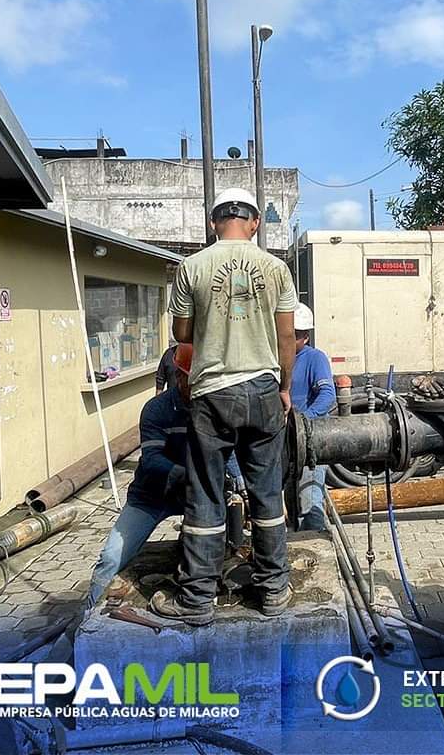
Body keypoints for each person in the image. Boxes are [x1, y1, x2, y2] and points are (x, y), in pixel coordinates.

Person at [152, 187, 297, 625]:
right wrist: (285, 388)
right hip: (263, 389)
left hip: (213, 391)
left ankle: (198, 599)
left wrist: (211, 321)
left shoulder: (191, 267)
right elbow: (286, 337)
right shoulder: (276, 268)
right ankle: (273, 590)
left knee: (206, 492)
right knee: (267, 492)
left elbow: (182, 334)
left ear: (213, 222)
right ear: (255, 222)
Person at [87, 344, 193, 607]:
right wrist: (188, 474)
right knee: (111, 558)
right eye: (194, 379)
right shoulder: (157, 409)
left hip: (195, 496)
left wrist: (239, 484)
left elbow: (230, 453)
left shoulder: (214, 407)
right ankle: (88, 615)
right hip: (151, 496)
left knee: (215, 552)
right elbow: (152, 460)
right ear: (179, 377)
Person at [291, 302, 335, 531]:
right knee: (288, 505)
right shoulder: (276, 360)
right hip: (286, 446)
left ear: (305, 337)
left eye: (294, 335)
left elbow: (327, 395)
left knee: (309, 501)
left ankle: (315, 545)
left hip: (311, 445)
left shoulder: (315, 358)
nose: (288, 339)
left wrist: (302, 421)